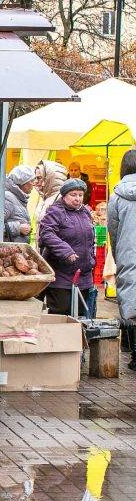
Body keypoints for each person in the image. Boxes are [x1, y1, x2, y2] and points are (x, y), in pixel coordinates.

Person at [39, 178, 97, 318]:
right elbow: (46, 233)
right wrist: (66, 251)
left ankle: (76, 340)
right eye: (73, 195)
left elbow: (89, 240)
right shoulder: (55, 212)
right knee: (61, 315)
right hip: (61, 277)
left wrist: (91, 260)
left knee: (82, 316)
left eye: (80, 195)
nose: (77, 198)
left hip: (82, 276)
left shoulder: (85, 212)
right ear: (64, 196)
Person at [107, 149, 136, 370]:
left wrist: (119, 256)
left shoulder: (116, 196)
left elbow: (113, 230)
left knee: (132, 304)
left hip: (129, 253)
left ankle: (135, 355)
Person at [35, 160, 68, 248]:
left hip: (53, 253)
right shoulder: (44, 198)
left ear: (49, 178)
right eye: (35, 178)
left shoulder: (61, 199)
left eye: (39, 178)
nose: (35, 181)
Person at [4, 165, 37, 243]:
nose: (34, 184)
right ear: (22, 183)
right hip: (9, 251)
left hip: (16, 250)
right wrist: (18, 228)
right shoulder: (8, 198)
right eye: (31, 181)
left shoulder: (19, 197)